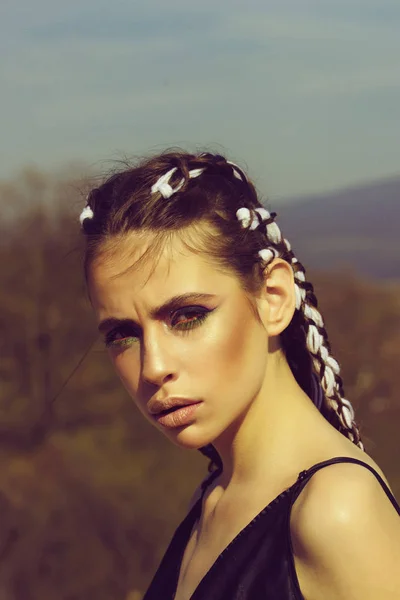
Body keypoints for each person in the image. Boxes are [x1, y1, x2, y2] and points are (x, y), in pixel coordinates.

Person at [79, 150, 400, 600]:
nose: (153, 367)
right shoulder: (212, 499)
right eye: (123, 334)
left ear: (273, 298)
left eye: (187, 315)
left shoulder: (336, 511)